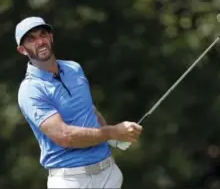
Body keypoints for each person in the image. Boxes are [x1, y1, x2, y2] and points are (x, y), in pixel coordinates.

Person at [15, 16, 143, 188]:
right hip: (71, 180)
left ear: (51, 37)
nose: (40, 42)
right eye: (31, 39)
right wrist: (112, 132)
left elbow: (89, 110)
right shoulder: (30, 89)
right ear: (22, 50)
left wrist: (115, 139)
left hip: (108, 173)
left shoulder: (73, 68)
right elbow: (64, 136)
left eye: (43, 34)